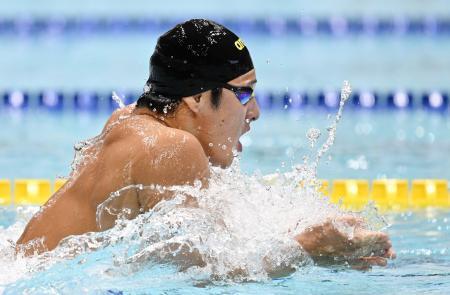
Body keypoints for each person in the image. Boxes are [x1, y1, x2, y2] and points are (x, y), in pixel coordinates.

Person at [16, 19, 395, 269]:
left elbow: (216, 242)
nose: (256, 112)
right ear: (197, 98)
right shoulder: (172, 148)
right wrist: (311, 250)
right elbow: (210, 274)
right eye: (244, 94)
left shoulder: (131, 122)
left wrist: (305, 231)